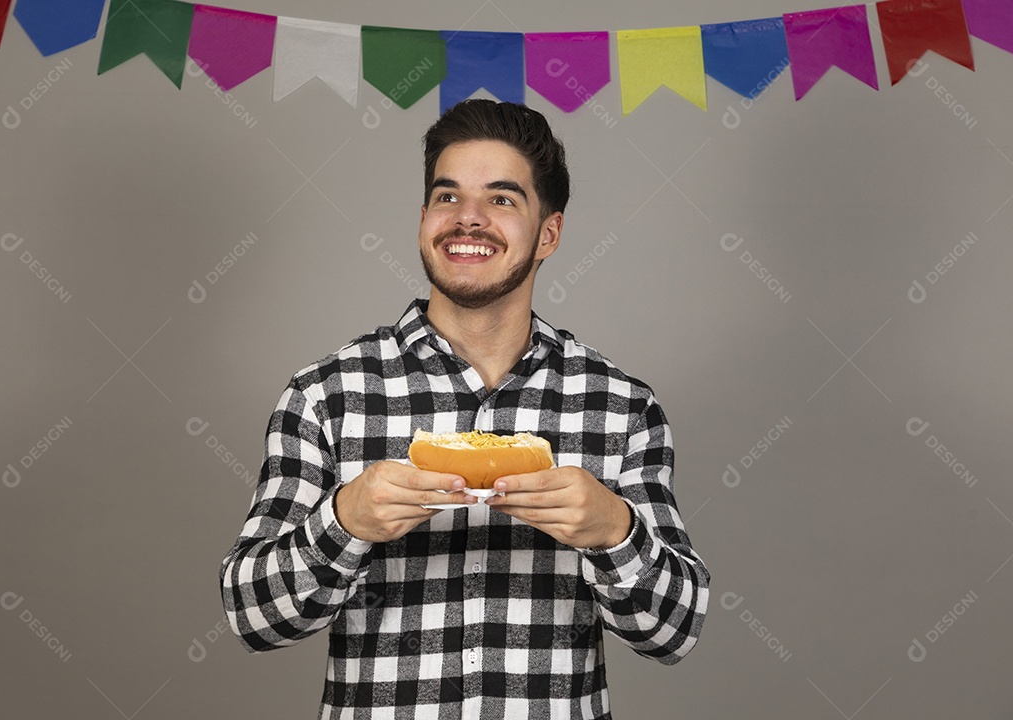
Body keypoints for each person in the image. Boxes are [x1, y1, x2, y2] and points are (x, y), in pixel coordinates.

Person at [219, 99, 709, 719]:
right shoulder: (327, 394)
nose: (467, 219)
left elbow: (673, 634)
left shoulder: (621, 407)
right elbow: (253, 617)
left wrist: (615, 531)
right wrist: (343, 522)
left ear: (549, 233)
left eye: (501, 199)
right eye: (447, 197)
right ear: (423, 219)